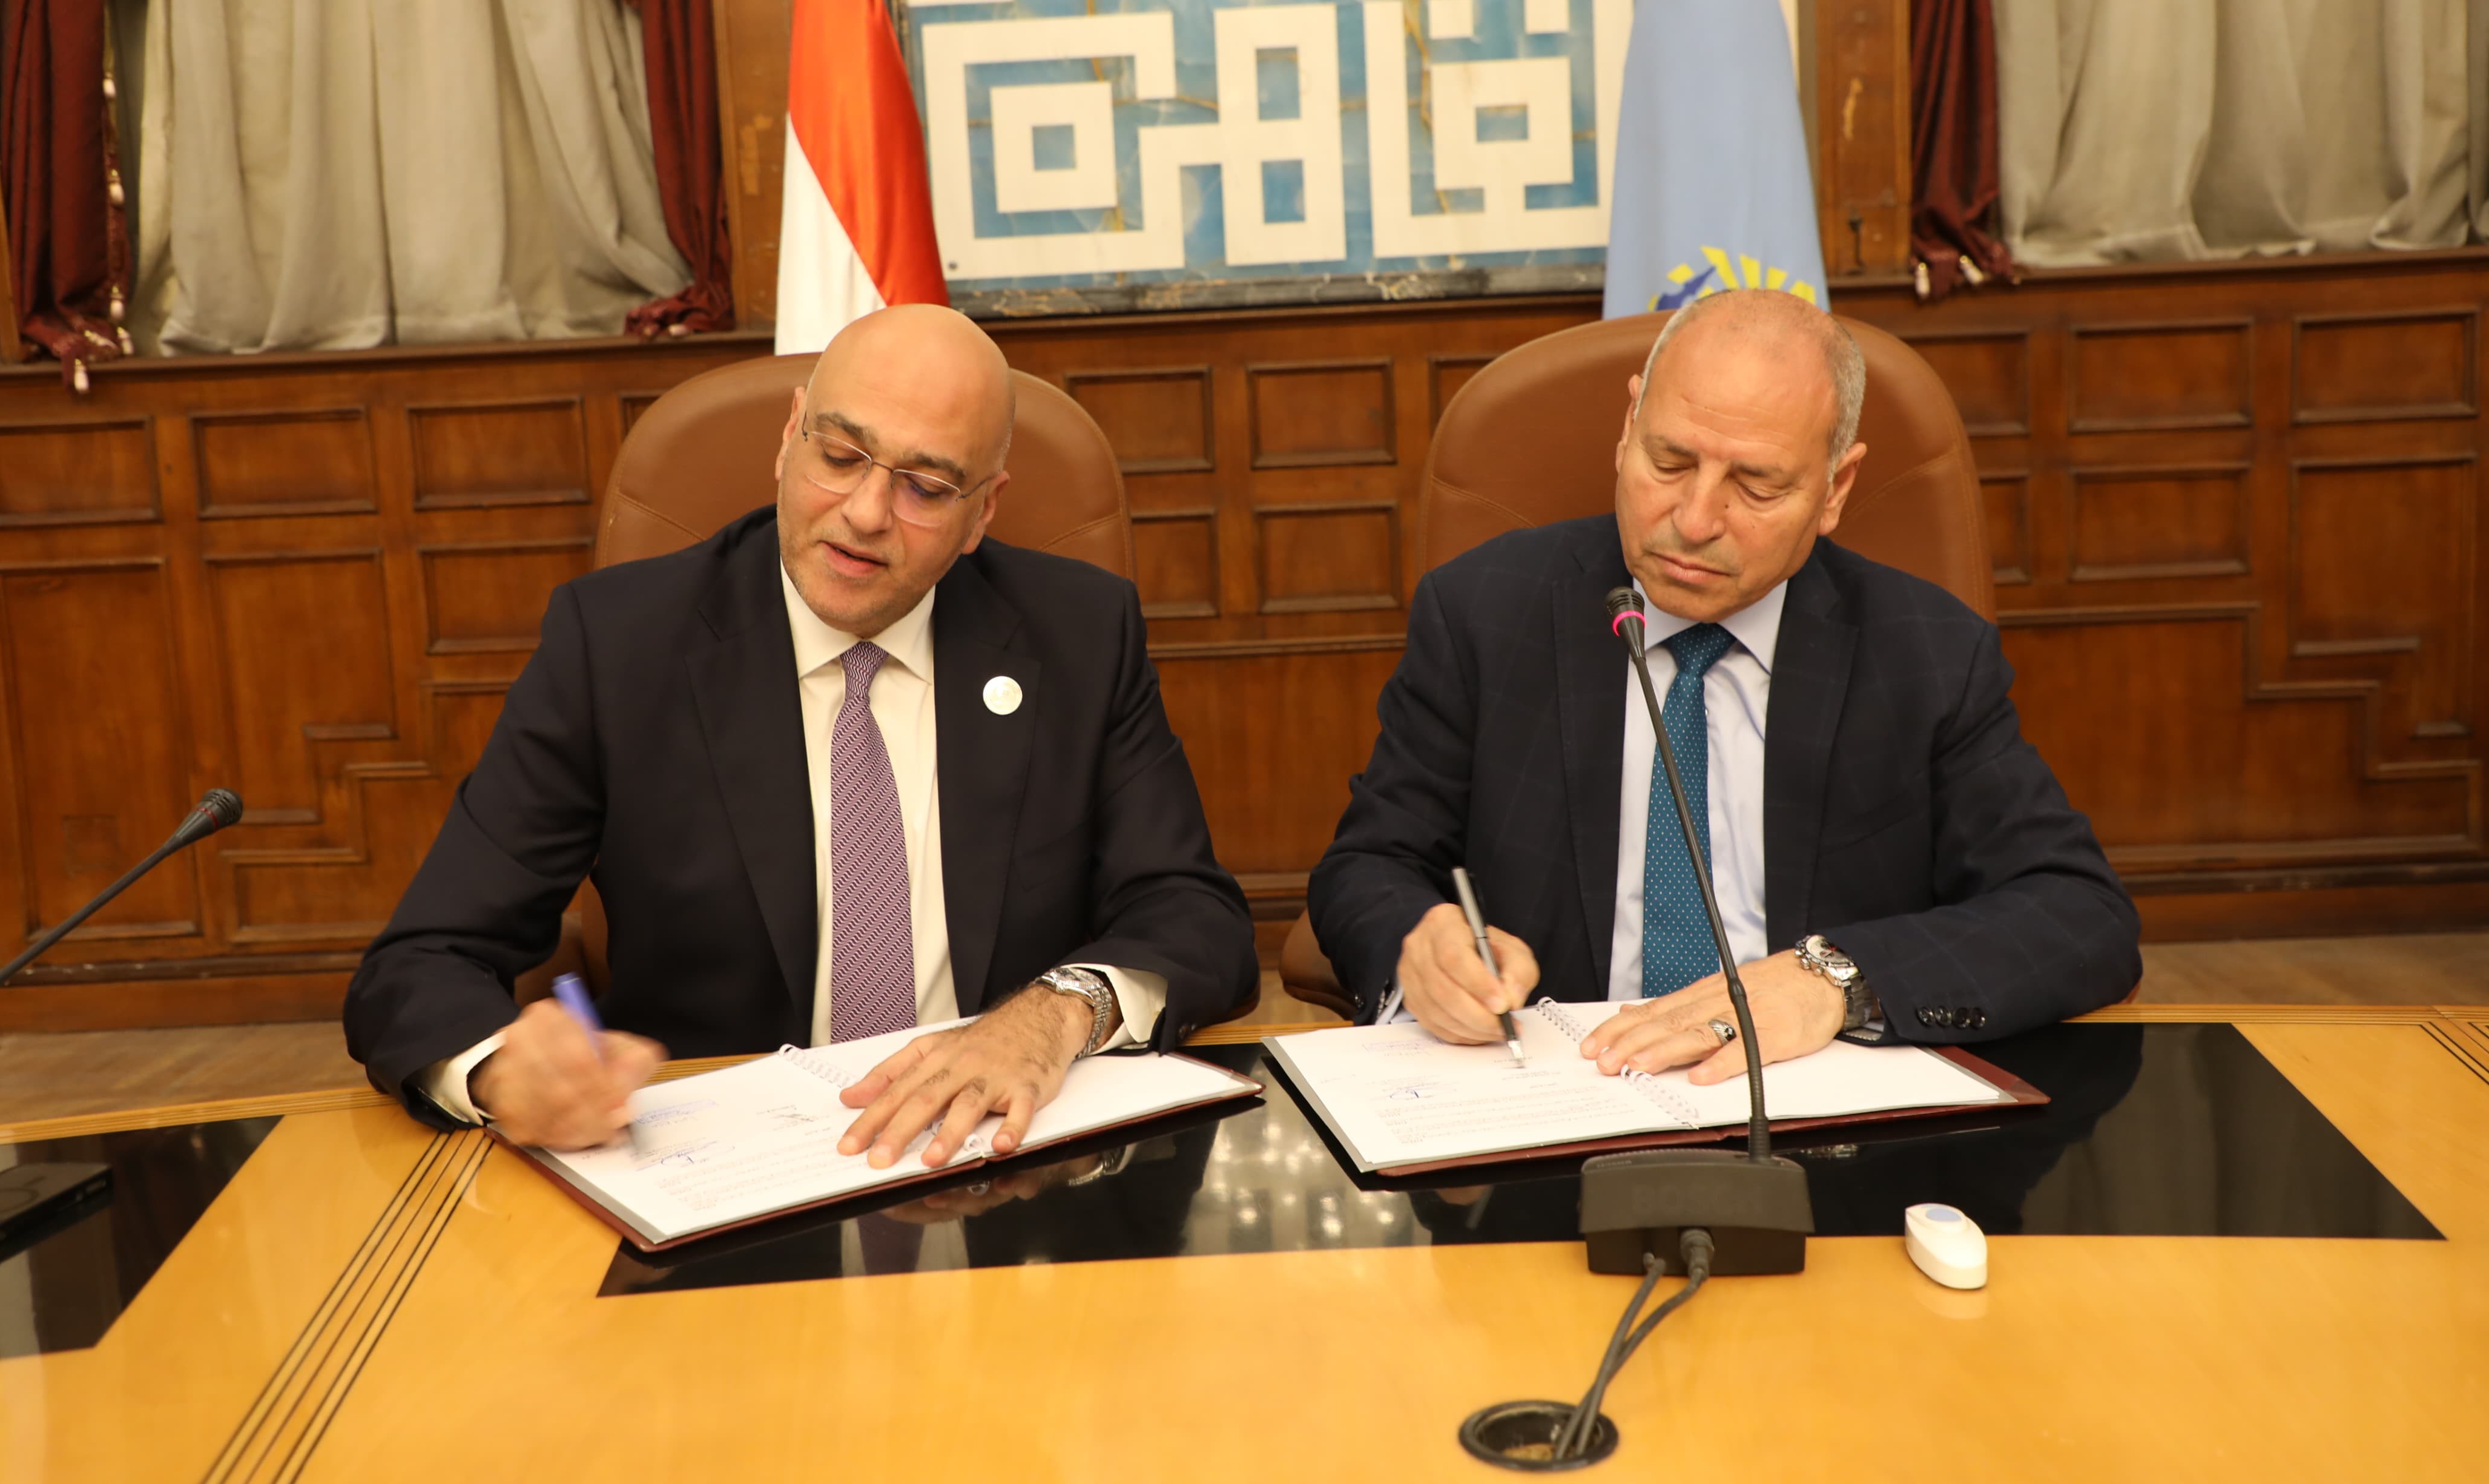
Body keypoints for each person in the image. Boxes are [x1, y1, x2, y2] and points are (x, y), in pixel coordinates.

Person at [345, 305, 1256, 1166]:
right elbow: (422, 961)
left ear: (984, 511)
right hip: (717, 1169)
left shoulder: (1080, 634)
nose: (866, 512)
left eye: (926, 486)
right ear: (791, 437)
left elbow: (1194, 916)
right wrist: (504, 1071)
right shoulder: (619, 645)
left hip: (996, 1153)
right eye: (842, 455)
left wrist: (1055, 1015)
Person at [1308, 288, 2138, 1083]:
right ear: (1628, 429)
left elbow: (2078, 913)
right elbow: (1370, 864)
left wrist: (1833, 980)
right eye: (1669, 461)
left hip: (1817, 1101)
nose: (1696, 520)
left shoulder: (1924, 652)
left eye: (1756, 485)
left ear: (1835, 489)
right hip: (1558, 1093)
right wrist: (1420, 944)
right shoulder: (1486, 614)